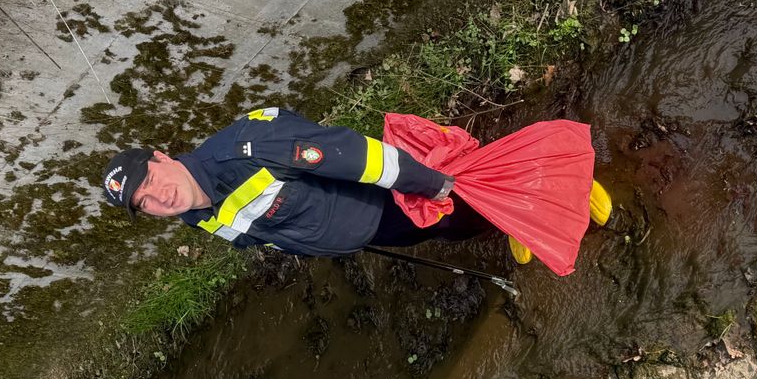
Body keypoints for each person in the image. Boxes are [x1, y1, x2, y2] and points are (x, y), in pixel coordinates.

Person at [102, 106, 499, 258]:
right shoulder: (194, 214)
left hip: (387, 204)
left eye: (150, 179)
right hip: (363, 233)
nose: (159, 197)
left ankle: (503, 219)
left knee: (454, 218)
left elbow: (359, 156)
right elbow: (255, 233)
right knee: (433, 235)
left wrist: (433, 184)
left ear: (161, 157)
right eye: (144, 202)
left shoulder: (250, 149)